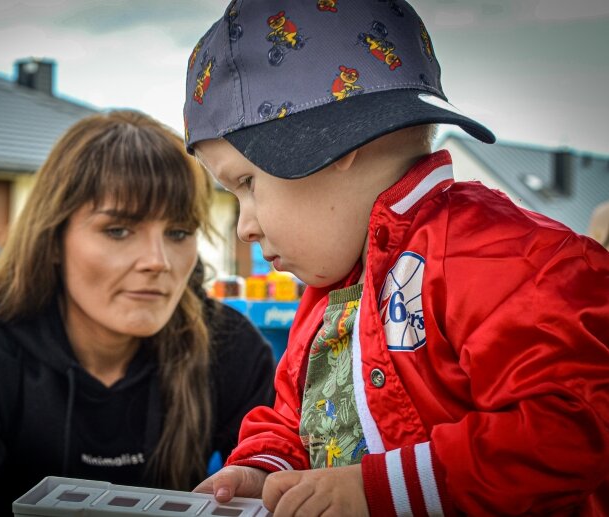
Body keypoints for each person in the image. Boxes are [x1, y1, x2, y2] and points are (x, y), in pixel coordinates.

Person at [184, 1, 609, 515]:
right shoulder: (329, 298)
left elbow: (572, 425)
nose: (244, 227)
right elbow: (298, 419)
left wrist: (380, 490)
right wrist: (264, 468)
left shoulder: (510, 263)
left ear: (328, 142)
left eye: (247, 184)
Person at [0, 111, 276, 516]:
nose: (157, 261)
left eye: (178, 233)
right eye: (118, 230)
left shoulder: (228, 346)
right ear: (53, 239)